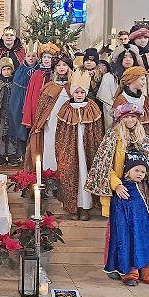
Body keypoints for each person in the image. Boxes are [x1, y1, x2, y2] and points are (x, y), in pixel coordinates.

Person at [85, 101, 149, 219]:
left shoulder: (144, 139)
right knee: (121, 222)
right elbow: (104, 165)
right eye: (126, 117)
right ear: (120, 119)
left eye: (133, 117)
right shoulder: (112, 137)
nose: (130, 120)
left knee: (141, 221)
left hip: (141, 187)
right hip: (120, 187)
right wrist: (116, 185)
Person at [103, 151, 149, 287]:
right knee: (128, 245)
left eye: (143, 172)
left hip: (144, 226)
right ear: (127, 170)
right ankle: (130, 274)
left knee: (147, 245)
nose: (140, 174)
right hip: (127, 226)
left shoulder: (145, 187)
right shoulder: (122, 188)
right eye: (136, 170)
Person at [55, 69, 104, 220]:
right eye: (76, 92)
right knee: (70, 174)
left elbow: (98, 130)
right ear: (72, 93)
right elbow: (60, 131)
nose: (79, 95)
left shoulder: (92, 106)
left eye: (82, 92)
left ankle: (85, 207)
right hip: (70, 148)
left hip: (87, 148)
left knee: (85, 174)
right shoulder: (66, 108)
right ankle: (73, 207)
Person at [23, 54, 73, 171]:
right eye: (58, 65)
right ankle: (49, 172)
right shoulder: (49, 86)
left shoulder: (73, 87)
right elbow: (42, 107)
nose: (61, 67)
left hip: (68, 122)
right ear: (54, 68)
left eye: (64, 65)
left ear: (69, 68)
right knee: (50, 144)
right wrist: (40, 123)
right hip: (51, 122)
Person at [8, 42, 39, 161]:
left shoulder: (40, 71)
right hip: (21, 105)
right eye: (28, 56)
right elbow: (16, 92)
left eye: (33, 56)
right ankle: (24, 155)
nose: (31, 58)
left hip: (35, 105)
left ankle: (34, 157)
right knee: (22, 129)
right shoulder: (20, 70)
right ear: (24, 57)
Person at [22, 43, 61, 130]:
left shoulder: (57, 74)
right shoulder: (36, 74)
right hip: (37, 105)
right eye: (44, 57)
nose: (46, 59)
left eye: (49, 57)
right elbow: (30, 94)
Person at [98, 45, 139, 129]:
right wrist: (118, 111)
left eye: (131, 57)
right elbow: (106, 99)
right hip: (114, 114)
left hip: (134, 114)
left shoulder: (139, 76)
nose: (128, 59)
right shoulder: (109, 77)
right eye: (124, 57)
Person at [113, 66, 149, 139]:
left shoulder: (146, 100)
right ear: (132, 79)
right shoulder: (121, 100)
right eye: (142, 79)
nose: (144, 82)